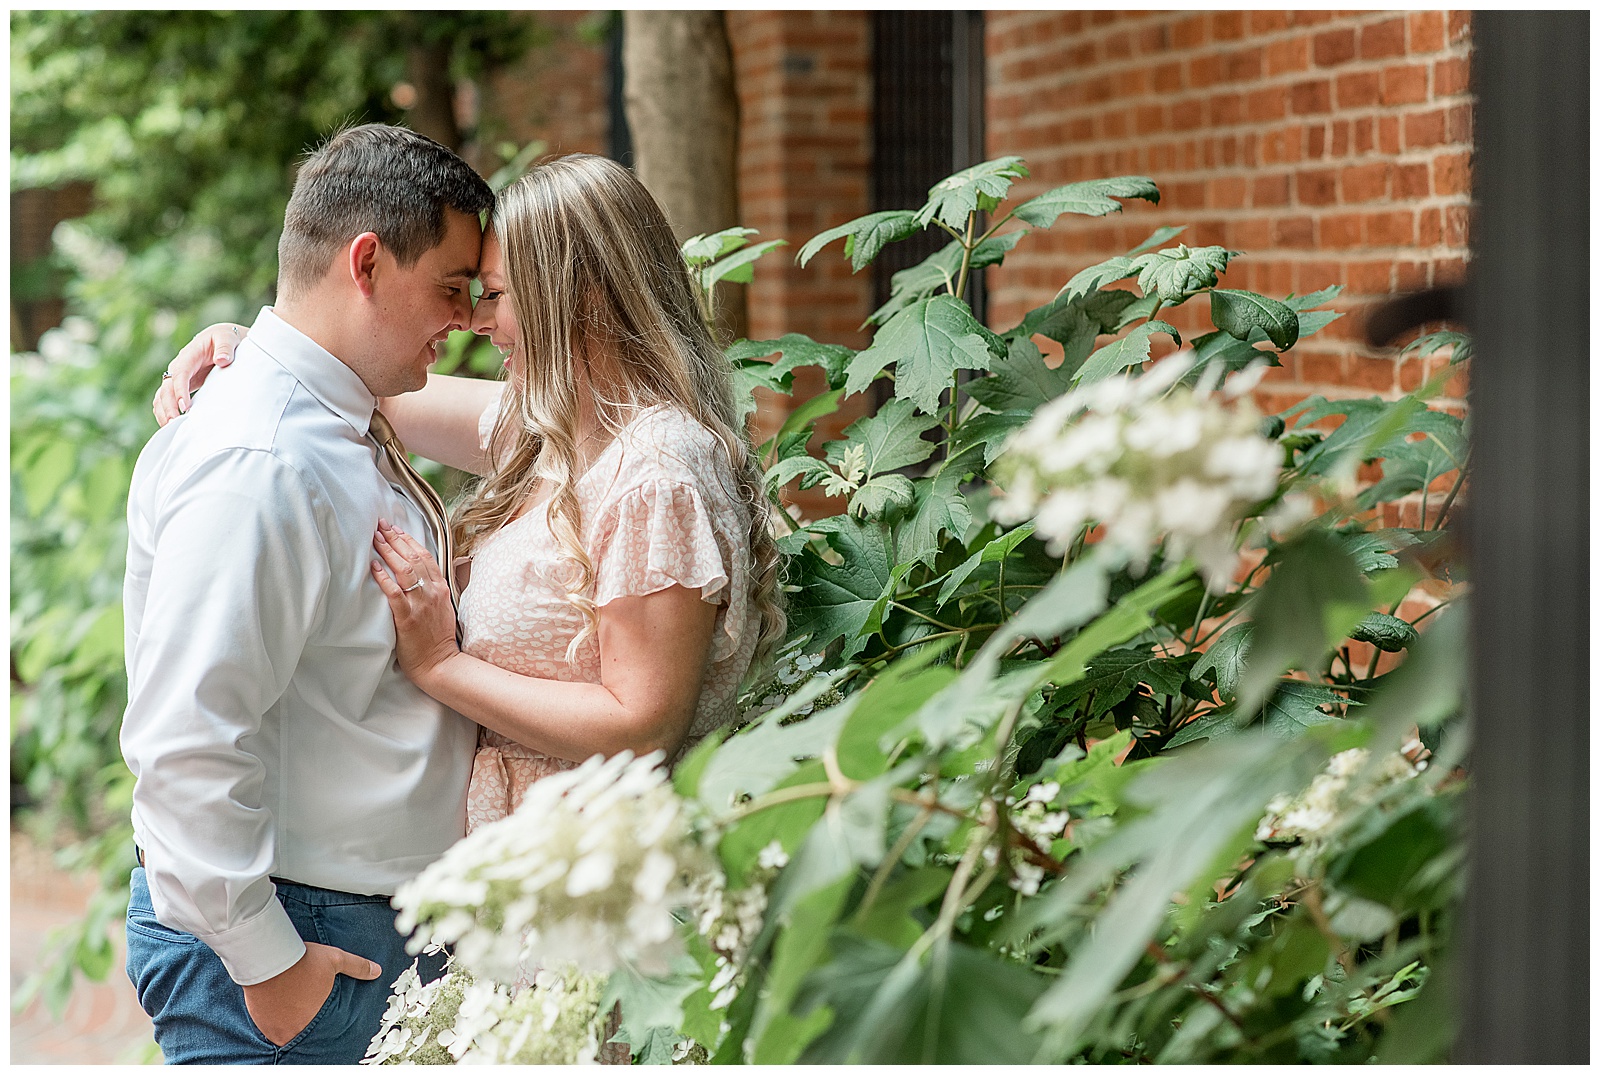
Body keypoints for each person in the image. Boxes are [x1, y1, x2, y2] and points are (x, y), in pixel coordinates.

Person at [157, 150, 782, 921]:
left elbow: (641, 722)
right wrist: (247, 342)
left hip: (600, 893)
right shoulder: (555, 433)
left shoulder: (654, 469)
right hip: (521, 885)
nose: (474, 321)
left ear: (574, 295)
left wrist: (441, 666)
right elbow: (357, 384)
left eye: (493, 295)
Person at [121, 123, 492, 1064]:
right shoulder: (262, 459)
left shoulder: (327, 419)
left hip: (351, 927)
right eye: (452, 287)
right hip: (299, 939)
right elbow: (187, 733)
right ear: (366, 262)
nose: (467, 319)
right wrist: (265, 959)